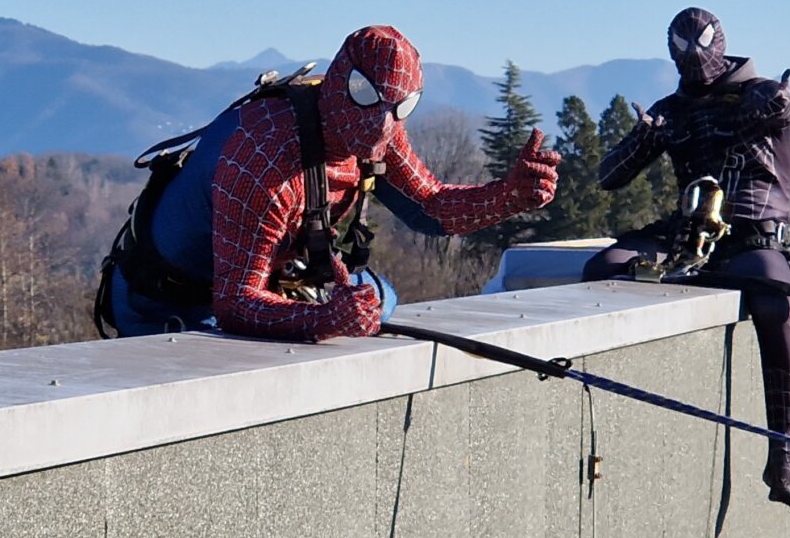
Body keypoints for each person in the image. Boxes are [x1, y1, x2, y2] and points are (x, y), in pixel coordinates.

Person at [98, 25, 559, 341]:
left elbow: (429, 206)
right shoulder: (264, 156)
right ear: (340, 81)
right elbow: (236, 303)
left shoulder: (374, 128)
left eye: (402, 107)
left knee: (379, 298)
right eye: (366, 96)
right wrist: (325, 318)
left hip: (258, 284)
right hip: (162, 304)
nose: (381, 125)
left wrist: (508, 196)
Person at [583, 7, 790, 511]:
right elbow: (608, 176)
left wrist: (746, 112)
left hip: (754, 237)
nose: (694, 59)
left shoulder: (761, 92)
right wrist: (648, 134)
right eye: (682, 50)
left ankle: (785, 452)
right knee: (604, 269)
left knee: (773, 304)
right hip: (691, 238)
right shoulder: (672, 110)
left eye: (701, 46)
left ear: (719, 43)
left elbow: (784, 107)